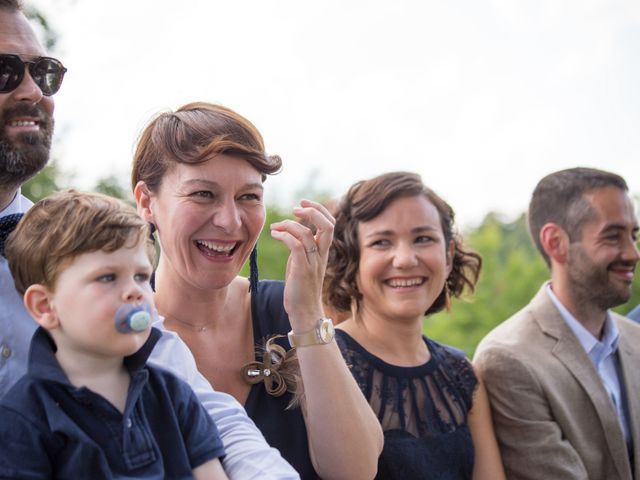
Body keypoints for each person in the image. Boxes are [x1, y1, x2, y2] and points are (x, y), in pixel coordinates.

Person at [0, 2, 297, 477]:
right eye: (5, 71)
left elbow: (208, 410)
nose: (34, 90)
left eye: (46, 72)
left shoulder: (68, 248)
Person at [132, 102, 383, 479]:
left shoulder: (287, 314)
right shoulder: (121, 328)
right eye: (203, 194)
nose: (230, 220)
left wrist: (307, 314)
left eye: (249, 197)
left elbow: (356, 471)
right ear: (147, 202)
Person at [0, 190, 228, 479]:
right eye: (107, 277)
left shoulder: (173, 395)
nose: (134, 291)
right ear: (45, 306)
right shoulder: (23, 419)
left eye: (142, 277)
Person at [323, 171, 506, 480]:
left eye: (423, 239)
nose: (405, 259)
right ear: (352, 259)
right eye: (382, 242)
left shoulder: (462, 373)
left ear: (448, 256)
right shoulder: (322, 360)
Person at [474, 167, 640, 480]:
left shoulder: (636, 338)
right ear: (556, 242)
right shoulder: (509, 359)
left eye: (634, 235)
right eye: (613, 236)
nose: (633, 253)